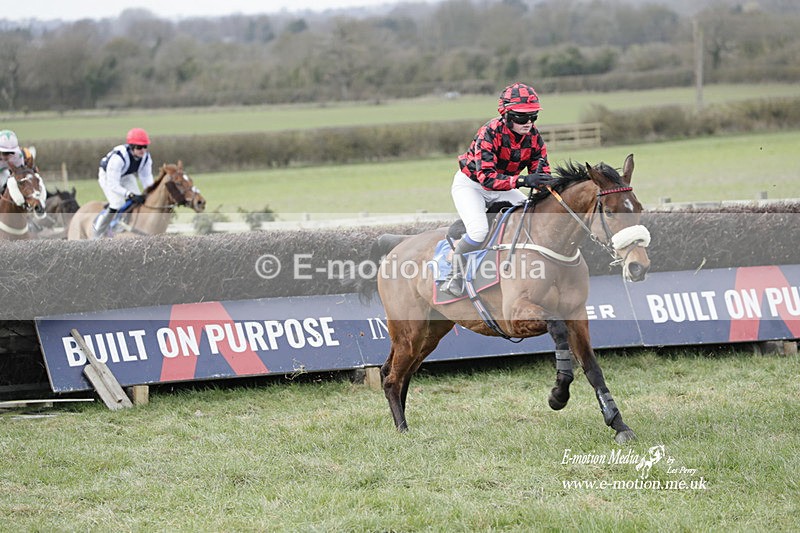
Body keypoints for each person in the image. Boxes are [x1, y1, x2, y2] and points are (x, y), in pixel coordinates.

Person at [441, 82, 556, 297]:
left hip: (505, 186)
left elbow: (542, 174)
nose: (529, 122)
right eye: (522, 117)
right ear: (507, 115)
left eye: (533, 117)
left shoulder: (534, 137)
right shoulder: (489, 133)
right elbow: (487, 179)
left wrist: (547, 184)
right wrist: (523, 181)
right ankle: (454, 276)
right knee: (478, 231)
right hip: (472, 185)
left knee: (532, 217)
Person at [93, 127, 154, 238]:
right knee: (117, 203)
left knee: (139, 199)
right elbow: (113, 184)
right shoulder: (118, 158)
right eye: (139, 147)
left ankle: (125, 222)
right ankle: (98, 230)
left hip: (126, 175)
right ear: (131, 147)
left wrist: (149, 193)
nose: (143, 150)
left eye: (145, 147)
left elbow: (147, 179)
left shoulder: (146, 158)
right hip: (108, 176)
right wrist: (129, 194)